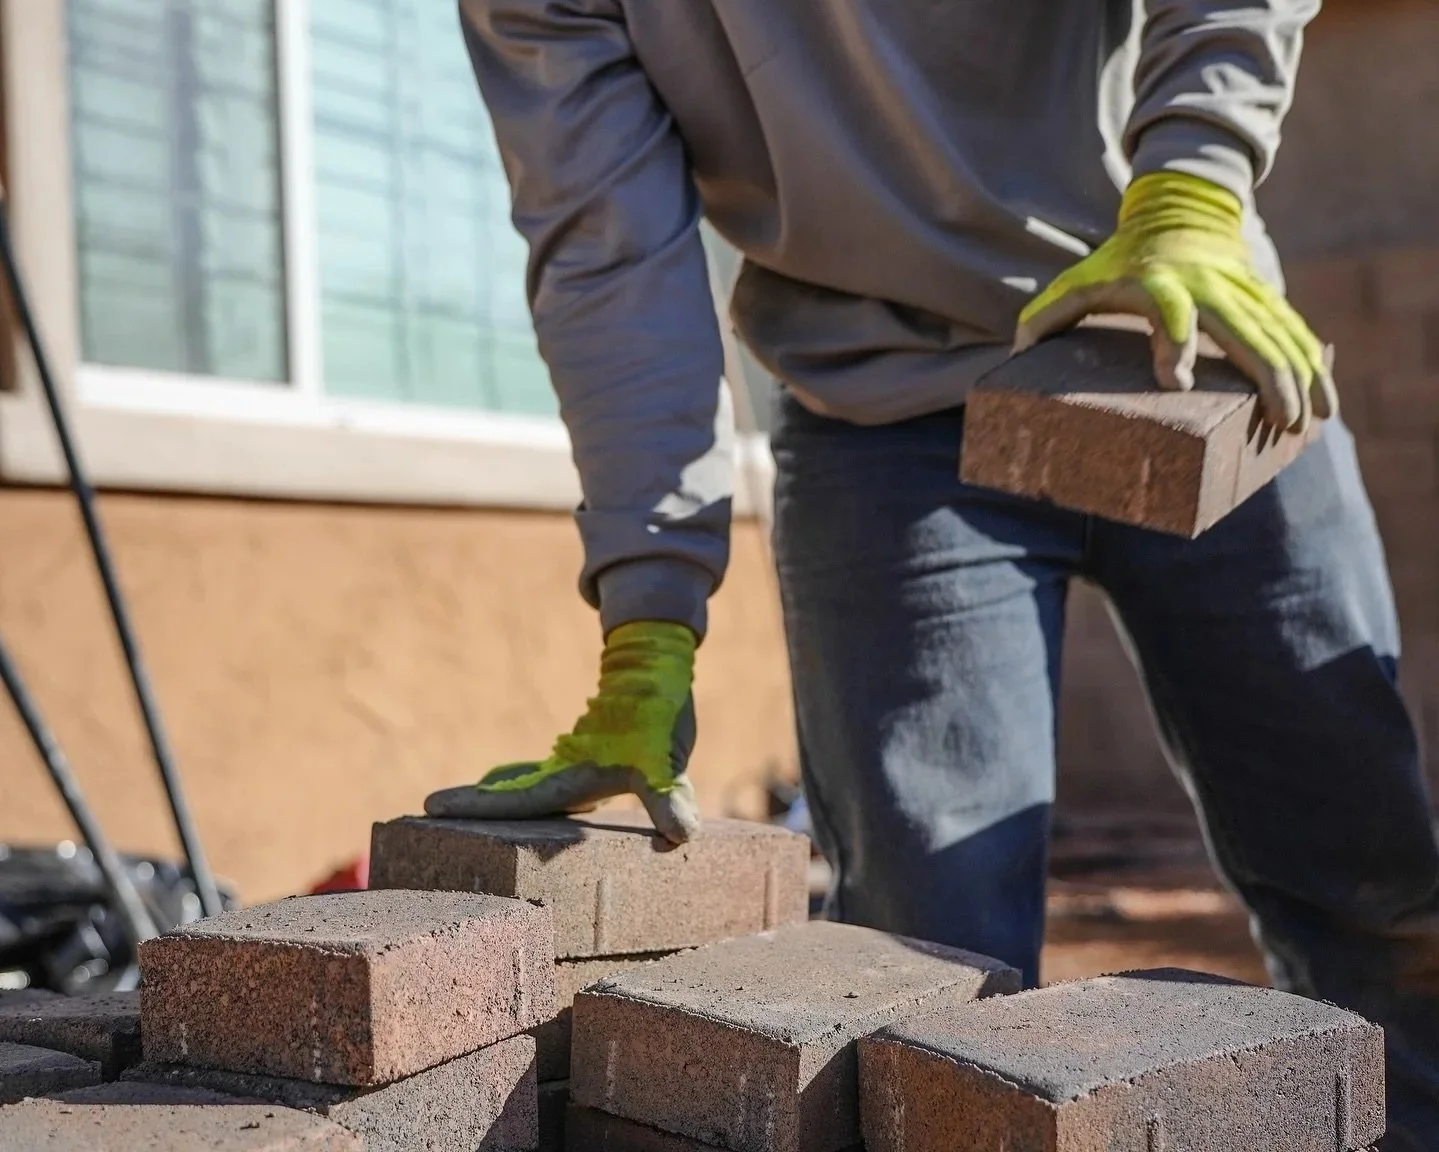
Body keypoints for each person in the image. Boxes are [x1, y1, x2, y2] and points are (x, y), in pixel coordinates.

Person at [429, 3, 1439, 1145]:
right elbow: (611, 265)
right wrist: (647, 617)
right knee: (924, 954)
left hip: (1185, 330)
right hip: (884, 410)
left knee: (1368, 885)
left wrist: (1192, 186)